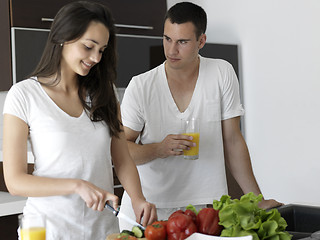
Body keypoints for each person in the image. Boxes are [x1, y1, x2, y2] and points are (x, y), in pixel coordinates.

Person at [118, 1, 282, 230]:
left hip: (204, 211)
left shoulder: (221, 73)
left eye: (182, 42)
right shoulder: (141, 86)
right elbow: (121, 150)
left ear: (201, 41)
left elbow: (233, 141)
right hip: (148, 211)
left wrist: (257, 200)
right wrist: (159, 149)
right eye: (167, 39)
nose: (171, 50)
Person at [2, 1, 157, 239]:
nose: (96, 57)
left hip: (102, 230)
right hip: (49, 230)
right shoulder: (24, 95)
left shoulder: (103, 93)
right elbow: (15, 181)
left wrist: (138, 199)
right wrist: (77, 185)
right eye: (88, 47)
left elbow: (122, 158)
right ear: (63, 37)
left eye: (102, 50)